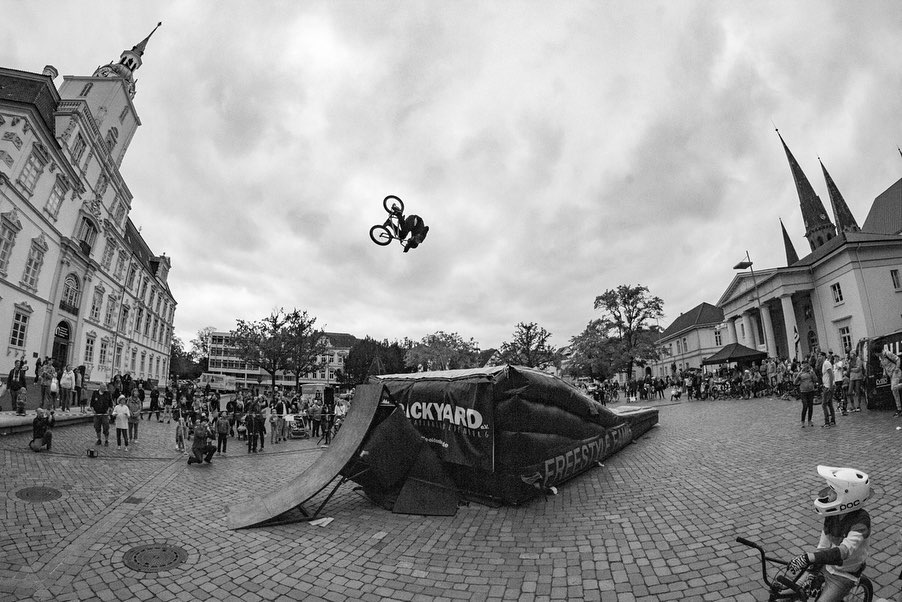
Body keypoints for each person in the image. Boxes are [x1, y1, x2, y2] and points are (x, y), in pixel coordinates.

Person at [788, 465, 871, 602]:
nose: (828, 495)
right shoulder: (833, 515)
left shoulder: (861, 522)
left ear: (848, 497)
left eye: (833, 492)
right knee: (788, 591)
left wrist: (808, 558)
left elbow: (843, 552)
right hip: (826, 566)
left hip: (845, 574)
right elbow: (823, 547)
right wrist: (812, 572)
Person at [879, 345, 902, 417]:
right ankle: (899, 409)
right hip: (891, 375)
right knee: (894, 391)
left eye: (875, 353)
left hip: (896, 372)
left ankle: (899, 409)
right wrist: (884, 373)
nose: (875, 355)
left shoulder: (887, 354)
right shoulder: (880, 357)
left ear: (878, 352)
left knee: (894, 388)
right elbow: (884, 367)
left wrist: (897, 368)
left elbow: (898, 359)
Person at [794, 362, 817, 428]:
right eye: (803, 365)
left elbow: (815, 380)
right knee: (805, 405)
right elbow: (795, 382)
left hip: (811, 391)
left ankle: (809, 420)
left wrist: (813, 373)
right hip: (803, 392)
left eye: (806, 365)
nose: (805, 367)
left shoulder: (811, 372)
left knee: (810, 406)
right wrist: (798, 375)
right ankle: (802, 421)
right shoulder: (800, 373)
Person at [820, 352, 836, 428]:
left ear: (823, 356)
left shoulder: (826, 363)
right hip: (827, 385)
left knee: (824, 404)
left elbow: (831, 374)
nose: (818, 357)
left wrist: (830, 386)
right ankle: (833, 420)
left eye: (819, 355)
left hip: (827, 386)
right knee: (829, 404)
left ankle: (827, 422)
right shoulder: (825, 363)